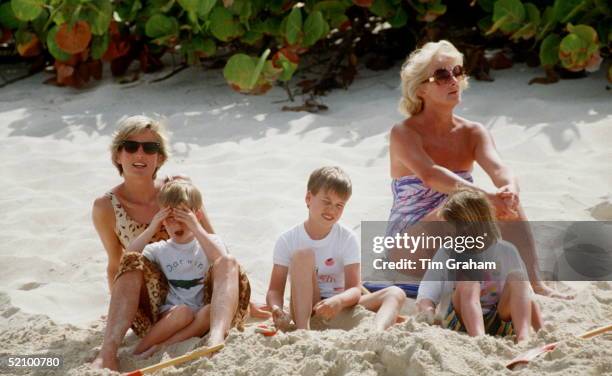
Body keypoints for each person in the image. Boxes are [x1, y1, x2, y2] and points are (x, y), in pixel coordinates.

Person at [386, 40, 571, 299]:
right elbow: (430, 175)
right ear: (420, 90)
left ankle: (535, 283)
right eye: (441, 75)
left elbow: (500, 168)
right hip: (409, 243)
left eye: (457, 72)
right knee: (455, 210)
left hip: (461, 232)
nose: (453, 80)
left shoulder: (473, 132)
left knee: (507, 204)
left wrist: (509, 190)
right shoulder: (404, 132)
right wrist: (484, 197)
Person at [91, 116, 251, 371]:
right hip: (155, 307)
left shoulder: (178, 189)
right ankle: (108, 352)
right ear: (118, 155)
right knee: (131, 260)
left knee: (225, 263)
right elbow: (115, 264)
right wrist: (118, 314)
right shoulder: (105, 206)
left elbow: (214, 245)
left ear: (160, 157)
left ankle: (215, 337)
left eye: (150, 148)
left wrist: (234, 294)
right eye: (131, 146)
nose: (140, 153)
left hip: (200, 293)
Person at [266, 166, 406, 331]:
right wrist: (276, 308)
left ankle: (376, 332)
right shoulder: (288, 239)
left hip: (341, 305)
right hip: (308, 308)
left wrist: (338, 301)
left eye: (339, 205)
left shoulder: (347, 238)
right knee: (303, 255)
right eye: (326, 201)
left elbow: (354, 288)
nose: (331, 210)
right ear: (308, 198)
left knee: (396, 293)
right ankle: (303, 332)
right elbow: (275, 290)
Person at [416, 188, 543, 343]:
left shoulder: (507, 251)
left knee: (518, 277)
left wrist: (541, 330)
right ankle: (480, 340)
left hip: (500, 322)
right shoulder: (447, 252)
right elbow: (426, 294)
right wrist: (429, 313)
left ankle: (524, 338)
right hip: (459, 321)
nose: (448, 234)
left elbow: (526, 295)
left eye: (451, 228)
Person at [127, 179, 234, 357]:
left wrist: (196, 227)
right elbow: (129, 257)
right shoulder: (159, 249)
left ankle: (162, 346)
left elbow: (223, 263)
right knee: (183, 313)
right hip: (172, 313)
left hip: (200, 315)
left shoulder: (210, 242)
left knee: (209, 311)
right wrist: (153, 226)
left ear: (197, 216)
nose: (177, 223)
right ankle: (139, 350)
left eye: (183, 217)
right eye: (170, 218)